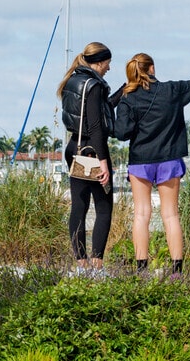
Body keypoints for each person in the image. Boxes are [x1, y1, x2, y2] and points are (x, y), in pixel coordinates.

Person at [113, 53, 190, 276]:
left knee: (141, 214)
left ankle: (142, 269)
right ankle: (177, 270)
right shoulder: (171, 90)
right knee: (171, 215)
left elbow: (121, 133)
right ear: (152, 69)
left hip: (140, 161)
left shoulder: (127, 98)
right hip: (169, 160)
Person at [57, 42, 115, 276]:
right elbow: (96, 125)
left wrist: (122, 91)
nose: (109, 69)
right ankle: (97, 263)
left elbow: (95, 111)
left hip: (74, 147)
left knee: (79, 207)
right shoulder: (94, 85)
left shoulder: (72, 80)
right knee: (103, 208)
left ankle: (80, 262)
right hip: (92, 151)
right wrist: (103, 161)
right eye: (108, 64)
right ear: (99, 62)